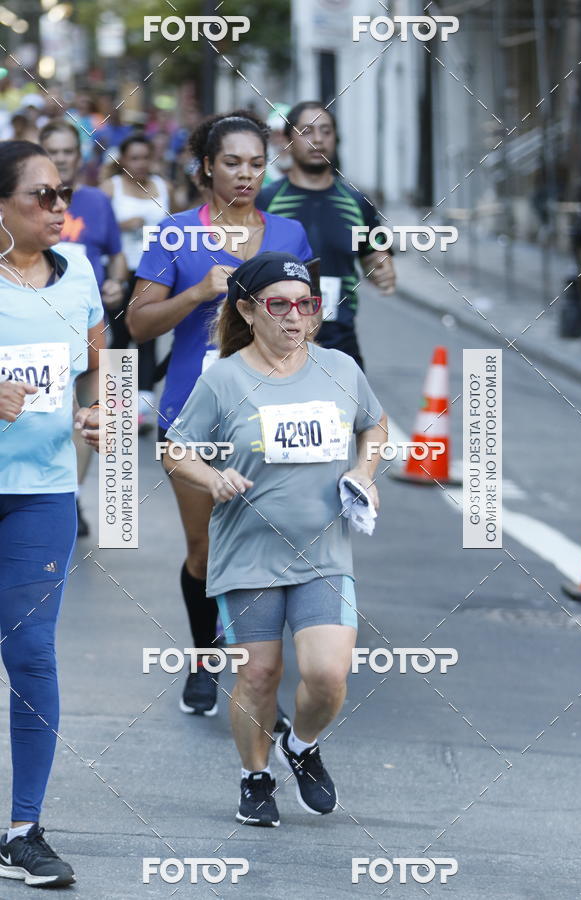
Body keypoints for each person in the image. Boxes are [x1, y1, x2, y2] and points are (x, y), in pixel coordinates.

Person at [161, 251, 387, 827]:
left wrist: (364, 471)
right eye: (279, 305)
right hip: (248, 555)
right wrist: (213, 477)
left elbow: (374, 423)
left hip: (323, 552)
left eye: (306, 305)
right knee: (258, 674)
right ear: (248, 309)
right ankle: (255, 774)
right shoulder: (224, 378)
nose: (295, 318)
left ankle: (302, 745)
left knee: (327, 675)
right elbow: (176, 449)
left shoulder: (340, 368)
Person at [128, 111, 313, 721]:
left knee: (265, 549)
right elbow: (137, 323)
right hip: (195, 413)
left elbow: (307, 325)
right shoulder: (175, 233)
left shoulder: (289, 233)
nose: (245, 174)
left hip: (273, 414)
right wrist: (198, 293)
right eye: (232, 162)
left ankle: (256, 679)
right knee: (205, 550)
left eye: (257, 164)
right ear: (207, 165)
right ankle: (206, 656)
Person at [0, 140, 104, 885]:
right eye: (42, 195)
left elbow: (101, 362)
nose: (59, 206)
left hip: (41, 492)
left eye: (63, 192)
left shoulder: (80, 278)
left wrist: (101, 410)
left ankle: (24, 830)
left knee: (32, 653)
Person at [39, 118, 129, 537]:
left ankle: (69, 497)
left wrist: (116, 283)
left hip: (88, 324)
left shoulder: (95, 202)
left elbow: (116, 257)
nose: (60, 158)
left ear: (79, 156)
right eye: (52, 151)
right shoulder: (23, 201)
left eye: (67, 152)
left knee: (93, 412)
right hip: (36, 327)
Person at [258, 101, 396, 370]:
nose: (318, 140)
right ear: (287, 140)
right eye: (307, 131)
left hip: (340, 341)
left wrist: (383, 269)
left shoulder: (358, 203)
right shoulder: (266, 201)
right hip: (277, 342)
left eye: (326, 131)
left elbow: (377, 255)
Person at [101, 133, 172, 433]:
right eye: (134, 158)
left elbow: (178, 223)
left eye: (146, 157)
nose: (140, 164)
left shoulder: (163, 187)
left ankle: (142, 407)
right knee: (119, 335)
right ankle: (116, 404)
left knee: (148, 335)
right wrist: (121, 226)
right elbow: (97, 227)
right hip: (120, 270)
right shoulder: (110, 188)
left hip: (155, 272)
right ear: (123, 161)